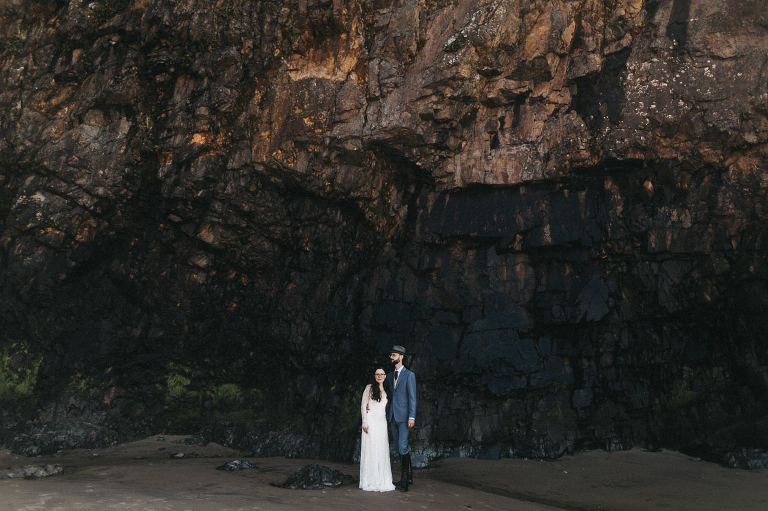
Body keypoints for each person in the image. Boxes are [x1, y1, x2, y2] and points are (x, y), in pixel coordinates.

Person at [359, 367, 396, 492]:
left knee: (381, 449)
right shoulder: (369, 388)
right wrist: (365, 422)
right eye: (377, 374)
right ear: (374, 376)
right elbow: (363, 405)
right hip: (371, 421)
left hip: (381, 422)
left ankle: (381, 479)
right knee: (371, 449)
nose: (379, 376)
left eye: (382, 374)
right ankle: (370, 480)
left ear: (385, 376)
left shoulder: (386, 389)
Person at [386, 345, 416, 492]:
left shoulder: (409, 375)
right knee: (399, 448)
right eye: (391, 355)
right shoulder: (390, 375)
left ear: (401, 357)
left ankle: (404, 481)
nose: (391, 357)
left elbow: (412, 398)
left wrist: (412, 416)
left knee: (403, 447)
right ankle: (409, 476)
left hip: (404, 417)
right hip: (393, 416)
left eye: (394, 355)